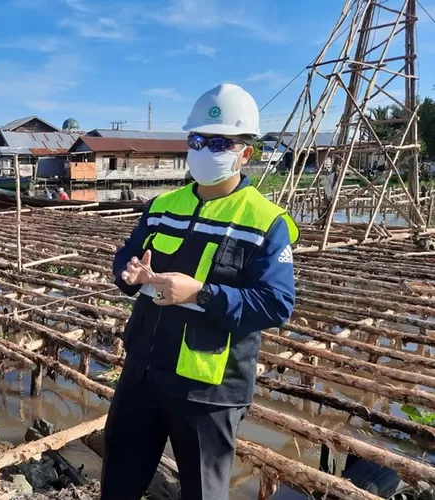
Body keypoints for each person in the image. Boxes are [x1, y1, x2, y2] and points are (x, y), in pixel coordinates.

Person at [101, 83, 299, 500]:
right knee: (118, 485)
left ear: (246, 152)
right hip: (143, 375)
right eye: (197, 140)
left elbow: (277, 303)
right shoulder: (161, 206)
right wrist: (130, 273)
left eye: (219, 142)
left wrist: (200, 294)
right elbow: (126, 256)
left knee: (203, 494)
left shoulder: (266, 220)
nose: (206, 151)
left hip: (208, 392)